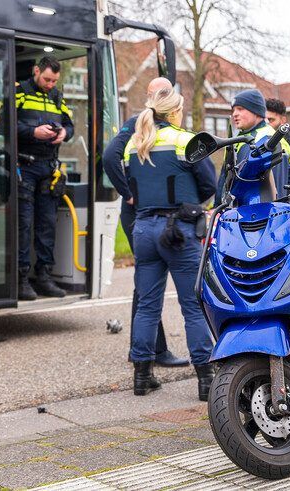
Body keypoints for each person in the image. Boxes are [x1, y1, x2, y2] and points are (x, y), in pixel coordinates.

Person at [121, 88, 217, 400]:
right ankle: (205, 378)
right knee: (193, 304)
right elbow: (209, 184)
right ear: (175, 112)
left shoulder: (134, 143)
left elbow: (129, 180)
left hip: (143, 229)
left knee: (147, 305)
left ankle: (142, 375)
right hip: (178, 230)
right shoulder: (185, 140)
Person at [103, 78, 188, 368]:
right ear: (151, 97)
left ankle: (146, 350)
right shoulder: (136, 123)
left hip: (152, 211)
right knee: (148, 283)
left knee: (148, 281)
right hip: (142, 210)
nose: (167, 98)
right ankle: (151, 350)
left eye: (169, 93)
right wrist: (128, 194)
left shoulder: (167, 131)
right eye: (162, 93)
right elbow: (109, 156)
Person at [15, 56, 74, 300]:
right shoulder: (19, 93)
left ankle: (44, 277)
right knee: (24, 224)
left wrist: (64, 134)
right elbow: (1, 125)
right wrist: (32, 132)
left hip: (49, 170)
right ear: (36, 71)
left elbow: (70, 126)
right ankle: (20, 279)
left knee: (47, 224)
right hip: (25, 166)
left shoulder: (58, 97)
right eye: (47, 79)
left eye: (54, 80)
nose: (50, 84)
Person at [215, 89, 290, 203]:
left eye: (240, 109)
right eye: (234, 110)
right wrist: (217, 208)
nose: (235, 114)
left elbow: (277, 186)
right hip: (236, 214)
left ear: (256, 111)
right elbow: (225, 178)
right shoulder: (238, 140)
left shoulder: (269, 138)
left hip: (259, 214)